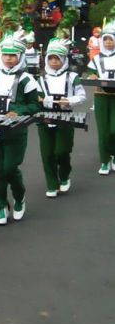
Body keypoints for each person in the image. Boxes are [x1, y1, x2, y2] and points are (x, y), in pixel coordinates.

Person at [0, 0, 41, 225]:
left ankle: (19, 196)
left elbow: (34, 105)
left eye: (12, 55)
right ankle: (0, 206)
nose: (8, 59)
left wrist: (17, 111)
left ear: (19, 56)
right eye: (5, 54)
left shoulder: (27, 79)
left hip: (16, 131)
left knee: (9, 168)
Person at [38, 33, 86, 197]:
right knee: (47, 153)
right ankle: (52, 183)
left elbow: (82, 96)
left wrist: (69, 101)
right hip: (45, 117)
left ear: (64, 60)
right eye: (51, 58)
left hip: (65, 118)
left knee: (62, 150)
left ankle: (64, 174)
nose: (54, 62)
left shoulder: (72, 77)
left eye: (57, 59)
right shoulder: (41, 78)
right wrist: (40, 100)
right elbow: (35, 97)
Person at [86, 18, 115, 175]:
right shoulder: (96, 58)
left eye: (111, 40)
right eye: (106, 40)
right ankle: (104, 161)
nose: (109, 43)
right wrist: (91, 76)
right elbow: (92, 73)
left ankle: (114, 154)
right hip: (101, 96)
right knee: (103, 131)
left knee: (114, 129)